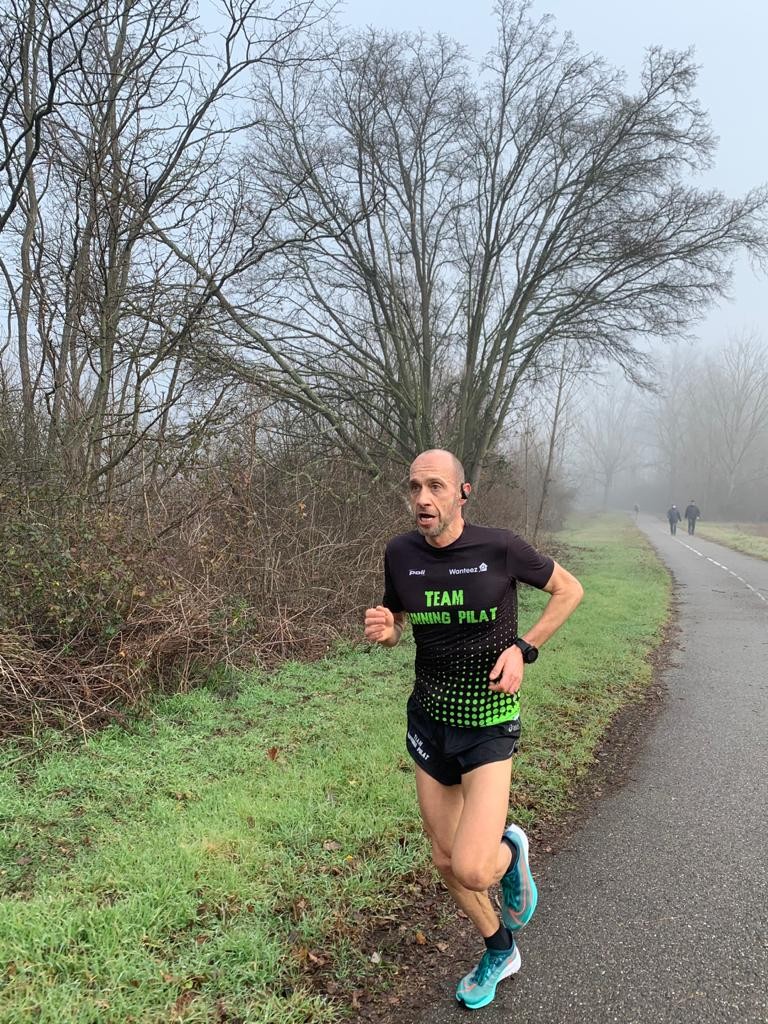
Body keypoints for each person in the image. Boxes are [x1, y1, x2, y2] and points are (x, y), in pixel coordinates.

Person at [364, 449, 583, 1009]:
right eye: (414, 487)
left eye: (436, 486)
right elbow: (399, 619)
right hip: (429, 720)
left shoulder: (500, 547)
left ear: (463, 494)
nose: (422, 499)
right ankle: (500, 948)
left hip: (487, 720)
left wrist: (523, 647)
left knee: (473, 866)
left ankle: (509, 849)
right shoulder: (400, 553)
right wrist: (389, 631)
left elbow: (569, 590)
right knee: (445, 860)